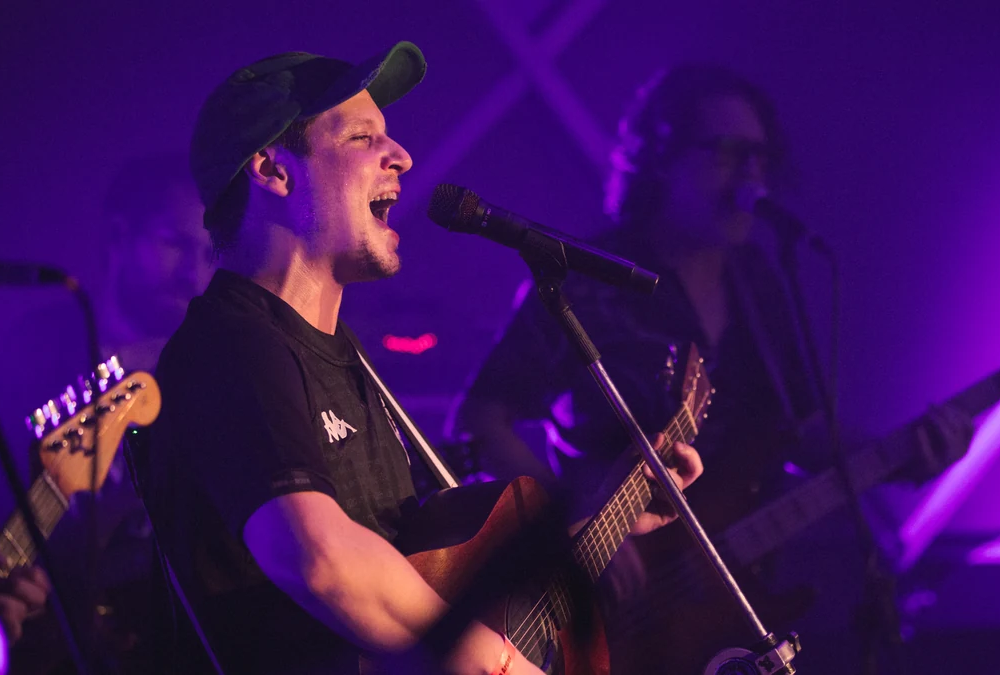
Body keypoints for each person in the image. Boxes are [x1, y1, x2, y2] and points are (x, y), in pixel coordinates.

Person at [141, 41, 701, 675]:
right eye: (361, 138)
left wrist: (605, 517)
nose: (402, 155)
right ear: (273, 171)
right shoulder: (233, 344)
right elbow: (318, 557)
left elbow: (424, 581)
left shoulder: (348, 362)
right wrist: (502, 666)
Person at [453, 64, 975, 674]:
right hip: (606, 598)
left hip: (727, 601)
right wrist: (570, 525)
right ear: (661, 157)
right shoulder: (591, 280)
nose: (752, 176)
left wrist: (905, 454)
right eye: (728, 153)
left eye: (761, 157)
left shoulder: (761, 283)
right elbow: (481, 421)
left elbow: (804, 436)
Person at [0, 153, 211, 673]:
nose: (193, 274)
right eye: (173, 243)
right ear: (119, 235)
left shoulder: (209, 362)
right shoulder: (29, 349)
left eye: (206, 252)